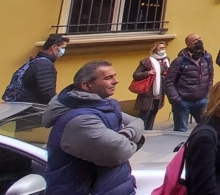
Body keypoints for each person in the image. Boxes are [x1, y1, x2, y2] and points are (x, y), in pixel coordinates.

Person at [42, 60, 144, 195]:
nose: (116, 81)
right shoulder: (80, 120)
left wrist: (125, 135)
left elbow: (137, 122)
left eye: (114, 76)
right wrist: (132, 138)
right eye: (108, 78)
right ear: (86, 85)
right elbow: (119, 151)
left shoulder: (103, 106)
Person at [165, 33, 214, 132]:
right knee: (181, 130)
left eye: (199, 38)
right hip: (183, 101)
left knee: (206, 128)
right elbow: (169, 81)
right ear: (188, 45)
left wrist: (208, 95)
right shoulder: (179, 61)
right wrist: (176, 100)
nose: (198, 41)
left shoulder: (207, 58)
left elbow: (210, 77)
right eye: (195, 40)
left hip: (202, 100)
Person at [20, 34, 70, 105]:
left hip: (22, 105)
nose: (63, 50)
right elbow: (48, 93)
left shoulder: (35, 61)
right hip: (32, 107)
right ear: (54, 47)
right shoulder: (44, 65)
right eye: (62, 47)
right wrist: (58, 105)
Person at [131, 41, 170, 130]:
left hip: (159, 92)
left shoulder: (166, 60)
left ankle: (149, 131)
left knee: (153, 113)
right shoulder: (146, 62)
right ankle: (140, 131)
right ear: (155, 49)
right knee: (144, 114)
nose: (163, 50)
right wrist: (148, 73)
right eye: (160, 48)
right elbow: (136, 75)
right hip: (148, 92)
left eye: (164, 48)